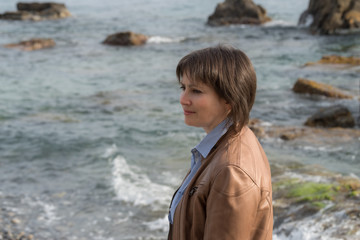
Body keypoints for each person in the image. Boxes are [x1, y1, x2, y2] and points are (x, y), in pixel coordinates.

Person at [168, 45, 273, 240]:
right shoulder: (224, 144)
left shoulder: (232, 171)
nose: (183, 99)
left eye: (196, 91)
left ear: (229, 100)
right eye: (183, 88)